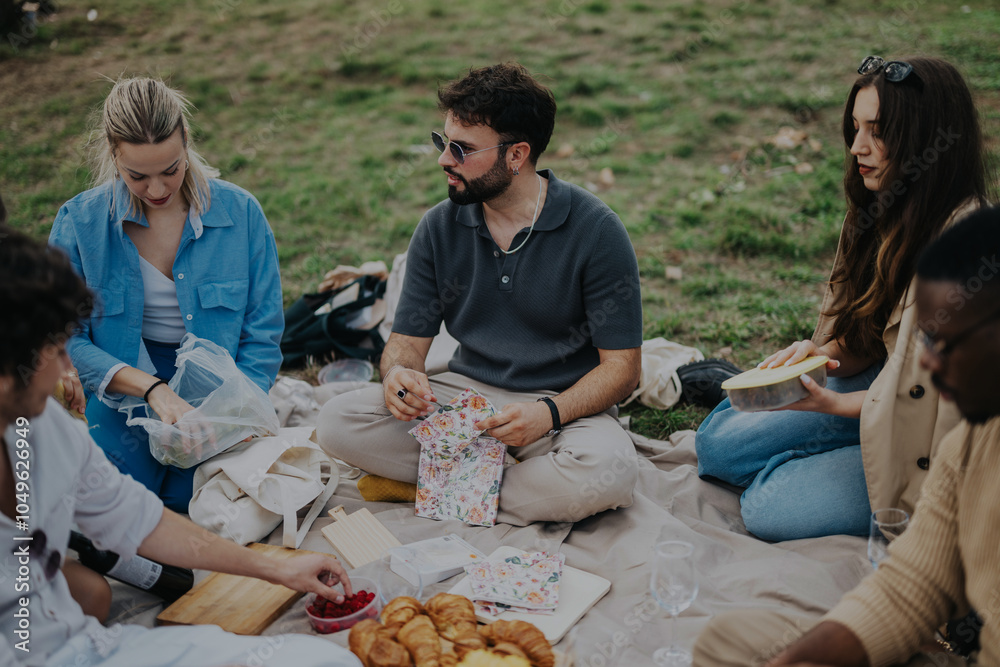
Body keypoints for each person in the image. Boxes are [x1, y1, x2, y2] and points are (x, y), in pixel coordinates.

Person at [0, 227, 360, 666]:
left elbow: (137, 519)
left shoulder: (45, 426)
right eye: (54, 351)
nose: (66, 367)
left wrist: (277, 568)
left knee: (328, 661)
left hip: (88, 646)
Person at [317, 63, 643, 525]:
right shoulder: (438, 226)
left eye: (461, 149)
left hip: (560, 408)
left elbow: (623, 370)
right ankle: (498, 482)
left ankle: (446, 482)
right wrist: (398, 378)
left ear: (516, 155)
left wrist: (547, 414)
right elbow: (406, 345)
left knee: (609, 472)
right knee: (337, 421)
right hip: (463, 399)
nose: (443, 160)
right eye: (442, 142)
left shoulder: (597, 231)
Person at [695, 56, 992, 541]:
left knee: (767, 509)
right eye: (855, 127)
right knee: (715, 448)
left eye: (877, 131)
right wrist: (821, 356)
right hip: (882, 384)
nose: (857, 147)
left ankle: (840, 451)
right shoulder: (880, 206)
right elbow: (865, 338)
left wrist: (829, 409)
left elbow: (932, 405)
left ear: (927, 138)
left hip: (933, 433)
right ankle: (839, 444)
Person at [693, 205, 1000, 667]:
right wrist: (803, 657)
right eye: (926, 343)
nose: (929, 362)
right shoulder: (973, 441)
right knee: (729, 640)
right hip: (877, 410)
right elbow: (913, 587)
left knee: (767, 506)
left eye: (946, 343)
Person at [49, 76, 284, 512]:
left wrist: (237, 412)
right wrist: (153, 389)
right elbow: (65, 337)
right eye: (137, 176)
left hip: (220, 392)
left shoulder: (243, 214)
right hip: (121, 391)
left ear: (187, 142)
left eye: (171, 169)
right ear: (113, 155)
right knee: (116, 508)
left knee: (195, 506)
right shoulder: (79, 224)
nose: (157, 190)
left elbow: (263, 332)